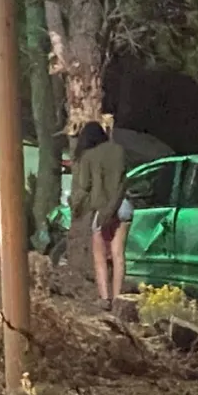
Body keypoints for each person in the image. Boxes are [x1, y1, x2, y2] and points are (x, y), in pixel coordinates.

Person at [70, 121, 133, 310]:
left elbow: (85, 186)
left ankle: (105, 298)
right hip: (124, 206)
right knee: (118, 253)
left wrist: (75, 205)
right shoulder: (119, 150)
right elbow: (124, 177)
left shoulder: (88, 156)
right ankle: (119, 299)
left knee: (99, 255)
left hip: (103, 210)